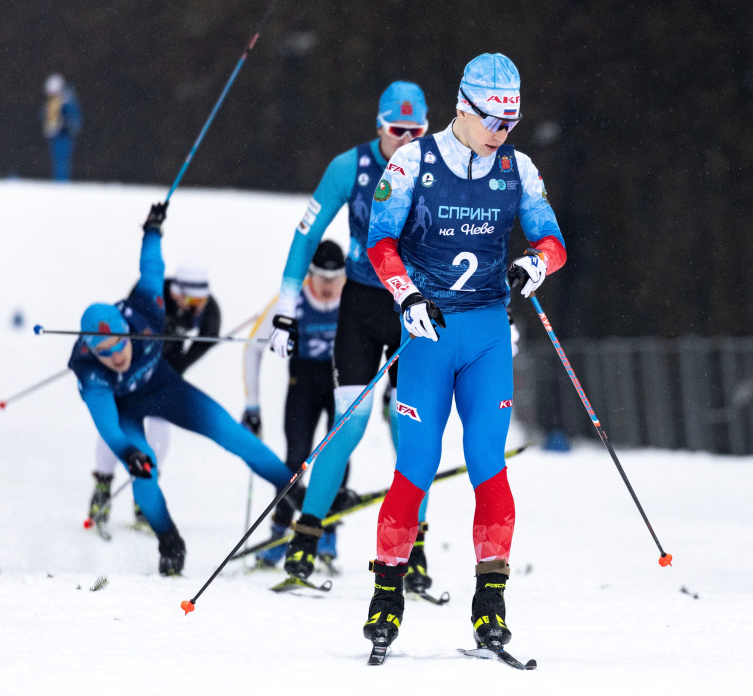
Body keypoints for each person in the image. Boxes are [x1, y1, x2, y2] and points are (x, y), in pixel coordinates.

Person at [360, 54, 567, 654]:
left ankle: (490, 603)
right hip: (429, 334)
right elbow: (380, 242)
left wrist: (536, 262)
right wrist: (406, 296)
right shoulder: (412, 162)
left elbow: (552, 239)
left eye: (512, 122)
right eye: (493, 122)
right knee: (414, 469)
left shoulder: (518, 168)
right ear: (462, 108)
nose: (502, 134)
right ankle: (387, 597)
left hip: (485, 337)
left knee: (487, 463)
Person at [266, 81, 438, 591]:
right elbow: (307, 234)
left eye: (417, 131)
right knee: (351, 424)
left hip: (415, 310)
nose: (406, 140)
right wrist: (285, 309)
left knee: (409, 430)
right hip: (362, 306)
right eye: (395, 130)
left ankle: (414, 551)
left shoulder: (439, 166)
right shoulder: (351, 168)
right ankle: (306, 536)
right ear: (378, 126)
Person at [69, 202, 296, 575]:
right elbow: (106, 421)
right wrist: (129, 454)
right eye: (105, 354)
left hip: (163, 384)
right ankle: (169, 540)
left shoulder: (147, 308)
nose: (117, 357)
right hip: (124, 408)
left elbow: (152, 267)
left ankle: (292, 489)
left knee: (229, 432)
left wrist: (152, 231)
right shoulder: (89, 370)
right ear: (93, 352)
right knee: (144, 468)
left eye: (120, 345)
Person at [87, 263, 223, 532]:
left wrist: (180, 366)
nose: (198, 306)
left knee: (161, 425)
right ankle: (102, 485)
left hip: (167, 366)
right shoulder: (149, 294)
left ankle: (145, 496)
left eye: (202, 300)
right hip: (133, 366)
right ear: (176, 291)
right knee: (120, 423)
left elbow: (209, 338)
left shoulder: (208, 308)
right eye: (193, 300)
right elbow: (122, 331)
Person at [241, 240, 352, 568]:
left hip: (341, 385)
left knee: (337, 455)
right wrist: (252, 406)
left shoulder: (354, 297)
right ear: (310, 275)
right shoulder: (291, 301)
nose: (330, 286)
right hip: (303, 383)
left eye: (337, 278)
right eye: (322, 278)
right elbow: (252, 349)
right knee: (295, 458)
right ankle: (279, 533)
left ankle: (327, 532)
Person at [41, 73, 82, 181]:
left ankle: (61, 182)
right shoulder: (54, 102)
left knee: (62, 161)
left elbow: (75, 120)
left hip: (64, 135)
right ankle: (59, 181)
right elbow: (43, 116)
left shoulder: (67, 102)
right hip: (56, 135)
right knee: (58, 161)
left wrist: (65, 124)